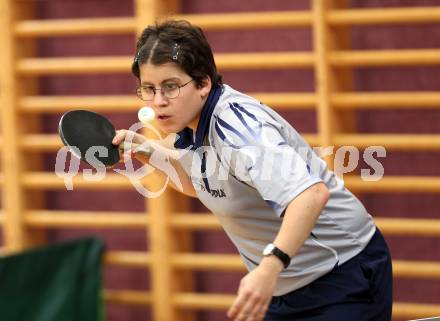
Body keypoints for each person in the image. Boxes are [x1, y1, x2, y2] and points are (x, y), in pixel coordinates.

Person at [112, 20, 393, 321]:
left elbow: (311, 194)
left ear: (203, 83)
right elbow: (204, 183)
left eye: (170, 86)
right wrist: (146, 150)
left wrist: (269, 268)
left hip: (342, 273)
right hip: (285, 286)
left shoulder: (238, 129)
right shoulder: (191, 128)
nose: (158, 102)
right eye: (148, 89)